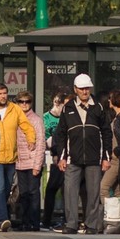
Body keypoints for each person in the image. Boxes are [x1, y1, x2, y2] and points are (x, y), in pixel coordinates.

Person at [55, 73, 112, 235]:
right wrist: (62, 157)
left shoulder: (98, 107)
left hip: (94, 158)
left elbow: (106, 133)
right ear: (75, 89)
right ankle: (71, 224)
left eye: (87, 88)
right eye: (81, 89)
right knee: (70, 191)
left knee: (93, 192)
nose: (85, 92)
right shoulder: (68, 108)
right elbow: (61, 134)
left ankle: (92, 225)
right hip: (73, 157)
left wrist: (105, 157)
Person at [0, 83, 37, 232]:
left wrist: (31, 139)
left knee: (6, 188)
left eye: (5, 93)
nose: (3, 96)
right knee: (0, 187)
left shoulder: (14, 109)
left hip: (10, 156)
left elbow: (26, 125)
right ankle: (3, 219)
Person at [14, 91, 46, 232]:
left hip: (33, 161)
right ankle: (24, 221)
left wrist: (37, 165)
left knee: (33, 193)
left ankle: (34, 222)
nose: (24, 104)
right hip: (20, 162)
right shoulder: (15, 118)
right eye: (21, 101)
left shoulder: (36, 120)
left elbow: (40, 144)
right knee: (23, 193)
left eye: (27, 101)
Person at [42, 88, 68, 231]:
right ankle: (47, 219)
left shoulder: (67, 117)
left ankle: (65, 218)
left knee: (65, 189)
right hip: (54, 157)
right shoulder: (46, 118)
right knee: (52, 188)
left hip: (64, 156)